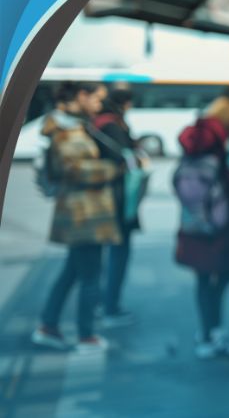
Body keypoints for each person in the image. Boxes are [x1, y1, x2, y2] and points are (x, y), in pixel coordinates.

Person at [31, 82, 120, 354]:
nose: (99, 105)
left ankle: (48, 325)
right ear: (81, 96)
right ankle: (86, 335)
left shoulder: (71, 125)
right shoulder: (65, 129)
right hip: (84, 215)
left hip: (84, 212)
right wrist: (115, 168)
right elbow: (75, 170)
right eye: (96, 99)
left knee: (72, 273)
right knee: (91, 276)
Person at [175, 87, 229, 359]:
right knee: (224, 274)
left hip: (194, 224)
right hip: (221, 227)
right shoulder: (224, 146)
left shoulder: (193, 149)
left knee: (202, 278)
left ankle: (206, 332)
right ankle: (214, 332)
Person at [93, 87, 140, 327]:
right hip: (118, 199)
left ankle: (103, 304)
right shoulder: (112, 125)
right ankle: (109, 306)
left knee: (103, 256)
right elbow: (123, 159)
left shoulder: (99, 122)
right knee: (118, 254)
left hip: (105, 199)